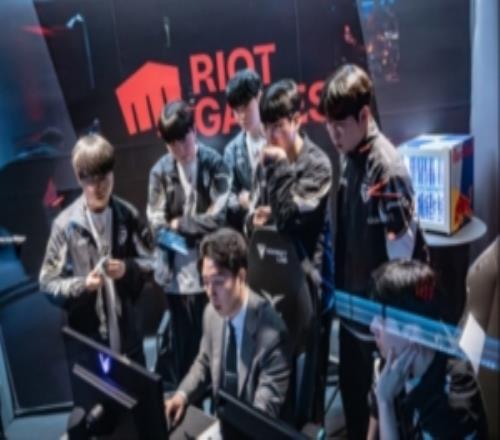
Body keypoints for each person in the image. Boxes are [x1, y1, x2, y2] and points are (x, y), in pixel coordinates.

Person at [319, 64, 428, 439]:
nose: (332, 133)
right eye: (328, 124)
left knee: (381, 414)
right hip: (352, 310)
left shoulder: (388, 168)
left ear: (364, 115)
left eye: (340, 124)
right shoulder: (349, 153)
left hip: (381, 323)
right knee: (352, 403)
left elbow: (402, 266)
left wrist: (387, 328)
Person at [247, 78, 333, 423]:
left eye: (278, 127)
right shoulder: (266, 161)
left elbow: (286, 217)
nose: (271, 136)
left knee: (308, 387)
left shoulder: (318, 164)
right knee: (277, 379)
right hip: (273, 284)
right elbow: (262, 215)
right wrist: (256, 218)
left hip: (309, 287)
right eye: (266, 127)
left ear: (297, 120)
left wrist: (281, 164)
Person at [39, 133, 153, 363]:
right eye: (92, 180)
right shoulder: (65, 225)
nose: (100, 187)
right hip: (88, 347)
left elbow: (156, 263)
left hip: (130, 343)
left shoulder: (127, 215)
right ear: (79, 178)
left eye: (105, 178)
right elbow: (47, 283)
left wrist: (127, 269)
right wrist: (83, 285)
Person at [164, 228, 291, 426]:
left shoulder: (272, 335)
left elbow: (263, 414)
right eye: (205, 282)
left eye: (218, 282)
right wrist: (182, 395)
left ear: (241, 276)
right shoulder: (211, 314)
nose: (210, 292)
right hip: (220, 424)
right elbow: (204, 363)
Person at [147, 100, 231, 386]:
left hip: (214, 275)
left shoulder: (214, 162)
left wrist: (181, 224)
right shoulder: (159, 172)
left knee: (219, 359)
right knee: (185, 362)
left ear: (195, 130)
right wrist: (189, 234)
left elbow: (220, 218)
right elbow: (157, 227)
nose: (180, 150)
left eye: (184, 139)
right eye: (172, 144)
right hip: (177, 282)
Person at [367, 260, 487, 440]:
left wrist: (385, 402)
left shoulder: (455, 395)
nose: (372, 326)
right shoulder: (388, 369)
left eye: (381, 318)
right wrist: (383, 401)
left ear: (412, 333)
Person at [223, 69, 266, 231]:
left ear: (259, 97)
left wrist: (250, 200)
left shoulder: (280, 138)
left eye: (246, 107)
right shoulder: (232, 151)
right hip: (253, 233)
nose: (241, 116)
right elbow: (227, 197)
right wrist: (242, 203)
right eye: (236, 110)